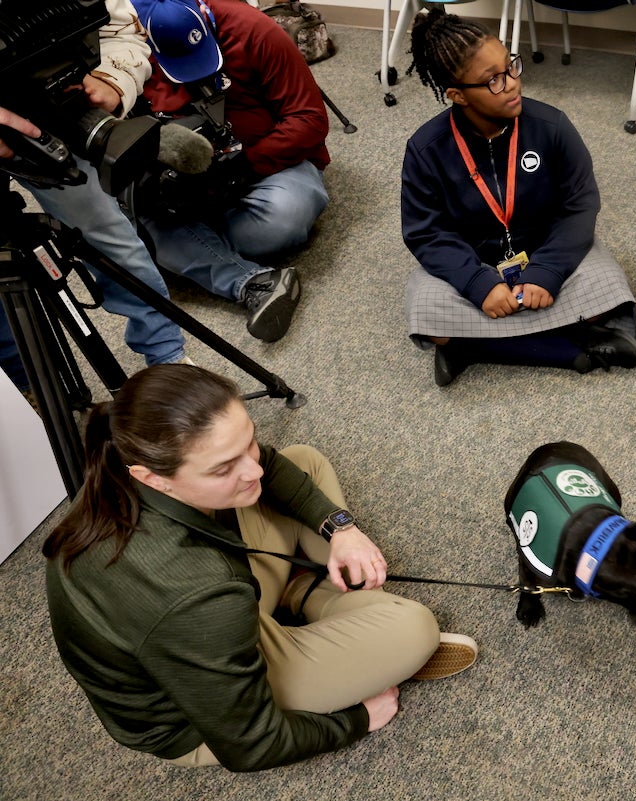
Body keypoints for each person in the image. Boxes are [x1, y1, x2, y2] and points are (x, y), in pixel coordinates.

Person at [44, 364, 478, 771]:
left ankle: (312, 599)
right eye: (223, 468)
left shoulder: (123, 468)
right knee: (415, 629)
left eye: (248, 440)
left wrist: (342, 529)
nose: (252, 467)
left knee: (303, 461)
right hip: (202, 715)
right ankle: (349, 624)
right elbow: (249, 745)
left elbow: (267, 464)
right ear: (153, 478)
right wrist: (356, 720)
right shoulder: (193, 596)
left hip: (217, 613)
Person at [401, 8, 636, 386]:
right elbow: (425, 233)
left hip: (547, 252)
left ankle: (473, 346)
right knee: (425, 310)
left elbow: (580, 207)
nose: (512, 83)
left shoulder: (552, 126)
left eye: (511, 66)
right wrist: (478, 284)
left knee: (608, 288)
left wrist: (547, 272)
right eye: (493, 80)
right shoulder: (425, 149)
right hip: (475, 263)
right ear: (457, 95)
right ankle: (567, 350)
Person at [1, 0, 189, 391]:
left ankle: (169, 362)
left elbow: (122, 28)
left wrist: (114, 79)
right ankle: (24, 389)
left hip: (40, 116)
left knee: (107, 232)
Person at [132, 0, 331, 342]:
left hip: (266, 166)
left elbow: (309, 119)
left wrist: (243, 166)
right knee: (136, 219)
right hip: (183, 182)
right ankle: (252, 282)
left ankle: (197, 248)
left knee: (286, 219)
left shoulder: (254, 30)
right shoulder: (126, 52)